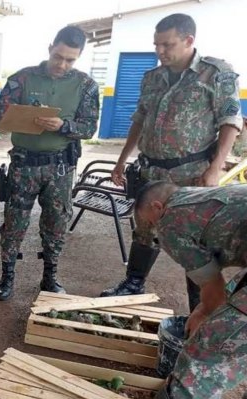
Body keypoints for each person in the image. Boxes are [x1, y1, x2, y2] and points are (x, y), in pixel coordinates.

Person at [76, 180, 247, 399]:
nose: (152, 230)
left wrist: (205, 314)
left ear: (157, 207)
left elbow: (214, 290)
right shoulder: (204, 195)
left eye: (148, 222)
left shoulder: (171, 221)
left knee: (204, 356)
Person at [100, 13, 242, 314]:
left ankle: (200, 305)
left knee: (196, 239)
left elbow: (230, 122)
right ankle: (133, 282)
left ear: (189, 40)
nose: (160, 51)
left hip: (191, 174)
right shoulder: (151, 78)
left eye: (168, 44)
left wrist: (215, 168)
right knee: (145, 229)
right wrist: (121, 161)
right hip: (151, 171)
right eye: (157, 45)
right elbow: (138, 121)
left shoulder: (216, 73)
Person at [0, 25, 99, 301]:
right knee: (14, 221)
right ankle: (7, 276)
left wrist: (62, 125)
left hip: (60, 168)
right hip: (24, 164)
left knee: (56, 223)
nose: (62, 65)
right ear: (50, 47)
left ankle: (50, 277)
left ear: (79, 57)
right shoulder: (22, 78)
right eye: (58, 56)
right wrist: (22, 117)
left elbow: (88, 128)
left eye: (70, 60)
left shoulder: (86, 85)